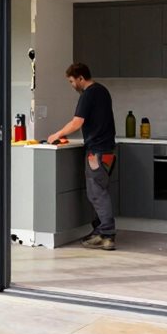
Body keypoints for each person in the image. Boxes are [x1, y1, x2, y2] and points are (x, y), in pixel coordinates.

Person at [48, 63, 117, 251]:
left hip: (97, 152)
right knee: (97, 192)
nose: (72, 85)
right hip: (108, 151)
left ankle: (107, 234)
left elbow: (77, 122)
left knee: (97, 193)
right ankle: (99, 231)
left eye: (72, 81)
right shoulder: (103, 91)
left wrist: (57, 135)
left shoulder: (88, 94)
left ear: (80, 78)